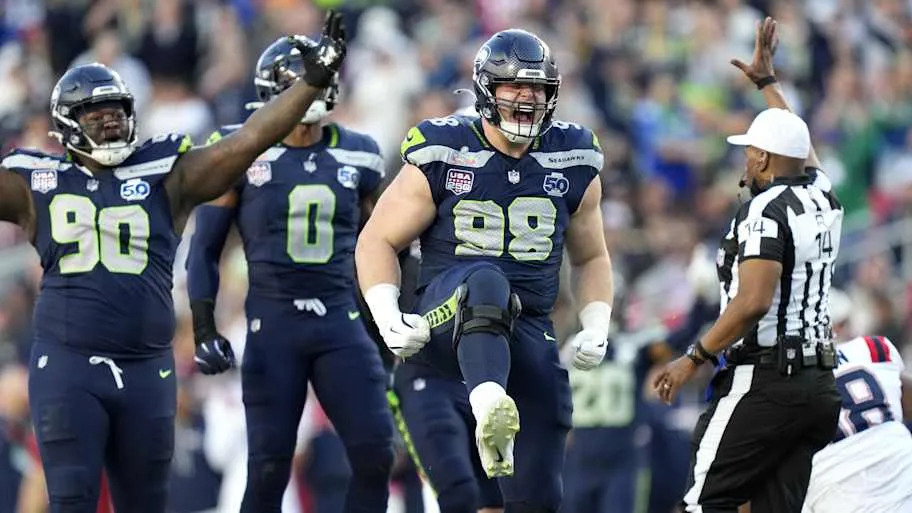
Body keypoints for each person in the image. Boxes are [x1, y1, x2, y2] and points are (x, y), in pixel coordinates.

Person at [0, 12, 347, 512]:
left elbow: (250, 139)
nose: (110, 120)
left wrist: (312, 82)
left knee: (146, 505)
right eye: (96, 114)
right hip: (69, 364)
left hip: (147, 367)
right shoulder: (35, 182)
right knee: (71, 500)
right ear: (67, 125)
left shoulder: (167, 174)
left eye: (116, 110)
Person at [356, 28, 615, 513]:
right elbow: (376, 239)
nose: (526, 98)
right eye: (514, 87)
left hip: (529, 327)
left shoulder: (573, 155)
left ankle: (498, 404)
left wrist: (596, 323)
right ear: (485, 90)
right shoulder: (446, 148)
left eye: (537, 88)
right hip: (446, 318)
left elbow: (592, 257)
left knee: (537, 496)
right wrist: (388, 314)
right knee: (486, 280)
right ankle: (488, 399)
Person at [185, 34, 394, 513]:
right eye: (296, 82)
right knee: (268, 467)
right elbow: (204, 249)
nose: (310, 91)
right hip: (272, 323)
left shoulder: (359, 152)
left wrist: (389, 325)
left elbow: (385, 244)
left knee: (376, 454)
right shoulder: (240, 149)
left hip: (340, 322)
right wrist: (202, 326)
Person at [652, 17, 842, 513]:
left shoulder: (765, 208)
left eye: (749, 152)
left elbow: (754, 300)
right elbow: (802, 148)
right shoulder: (822, 195)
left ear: (760, 159)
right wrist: (768, 85)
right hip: (819, 384)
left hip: (766, 378)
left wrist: (692, 356)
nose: (744, 162)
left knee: (701, 502)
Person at [801, 289, 912, 513]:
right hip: (898, 468)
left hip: (836, 488)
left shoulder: (782, 379)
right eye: (843, 322)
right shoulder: (874, 348)